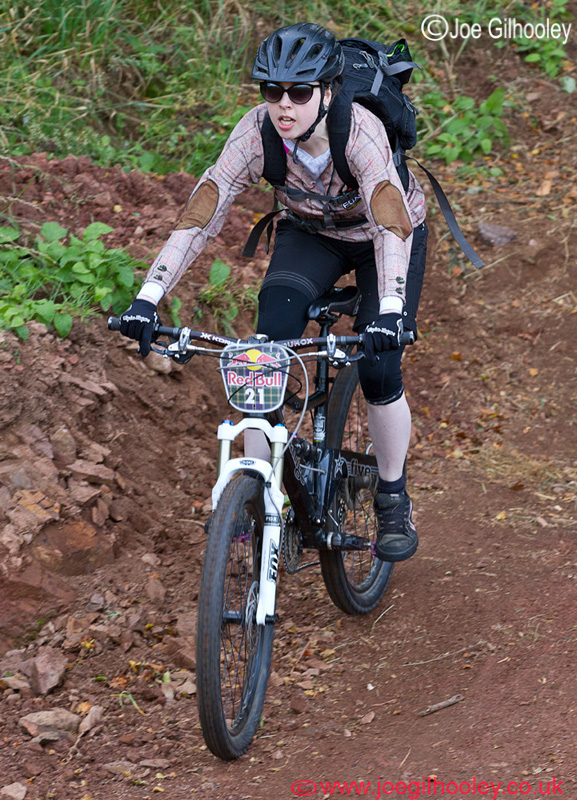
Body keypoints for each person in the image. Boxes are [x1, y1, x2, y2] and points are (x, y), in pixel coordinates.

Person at [118, 23, 428, 563]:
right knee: (266, 346)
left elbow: (389, 222)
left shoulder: (358, 131)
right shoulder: (256, 132)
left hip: (386, 235)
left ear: (328, 91)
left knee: (380, 365)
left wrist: (393, 310)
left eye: (300, 93)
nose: (284, 106)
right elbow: (202, 213)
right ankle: (261, 494)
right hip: (310, 234)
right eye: (271, 91)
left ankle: (392, 496)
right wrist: (149, 295)